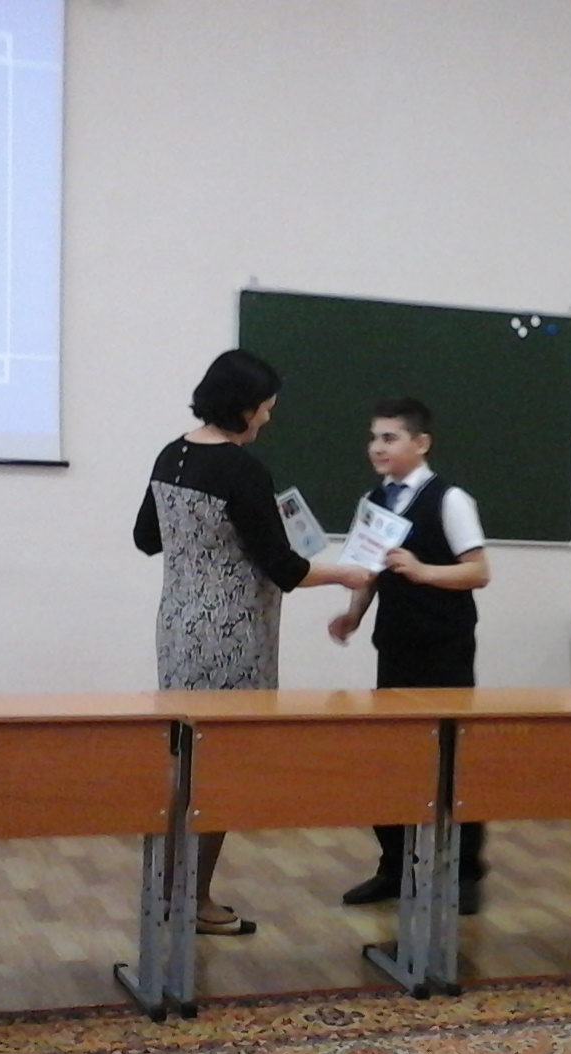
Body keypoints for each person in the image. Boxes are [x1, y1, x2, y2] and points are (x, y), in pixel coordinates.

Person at [134, 349, 371, 935]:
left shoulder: (171, 455)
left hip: (178, 629)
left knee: (186, 763)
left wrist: (201, 543)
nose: (267, 418)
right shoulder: (242, 469)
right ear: (241, 407)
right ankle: (193, 900)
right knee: (221, 768)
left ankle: (167, 891)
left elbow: (146, 538)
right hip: (234, 635)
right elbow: (284, 568)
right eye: (264, 408)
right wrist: (344, 573)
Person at [328, 398, 492, 914]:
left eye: (390, 437)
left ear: (421, 443)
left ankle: (465, 871)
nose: (377, 447)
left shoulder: (450, 500)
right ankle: (394, 867)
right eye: (374, 437)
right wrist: (354, 613)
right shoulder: (373, 500)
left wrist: (423, 571)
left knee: (451, 759)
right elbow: (369, 569)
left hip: (444, 649)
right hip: (395, 647)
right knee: (394, 757)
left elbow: (478, 571)